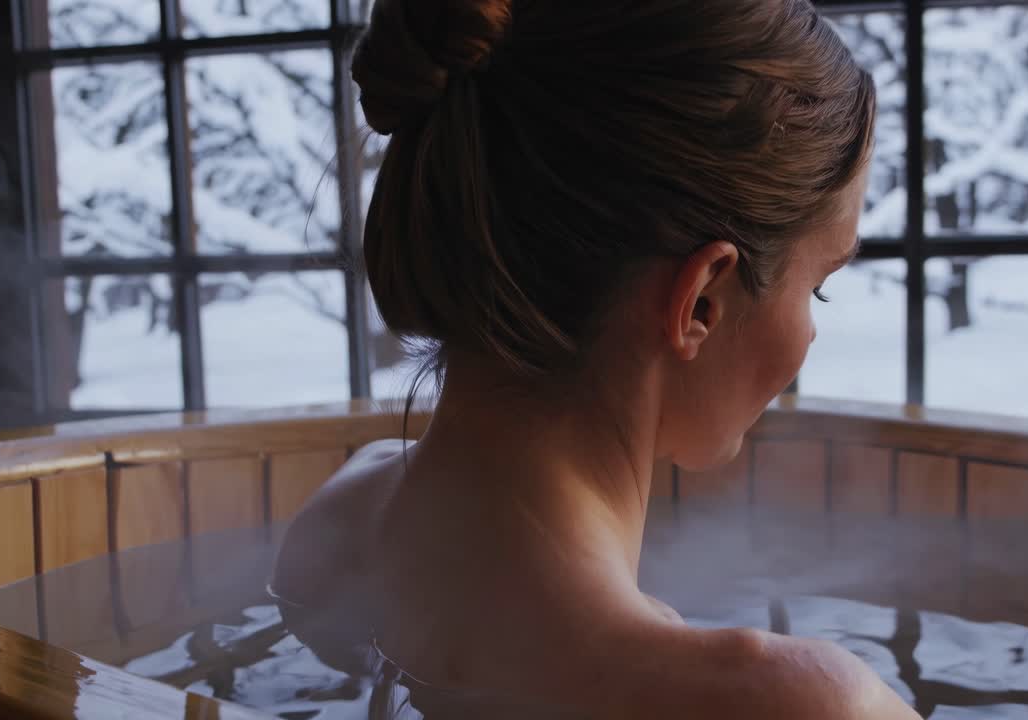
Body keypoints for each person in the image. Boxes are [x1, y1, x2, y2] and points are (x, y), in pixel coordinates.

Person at [272, 0, 920, 717]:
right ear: (701, 302)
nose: (811, 335)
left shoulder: (326, 538)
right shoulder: (793, 706)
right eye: (818, 288)